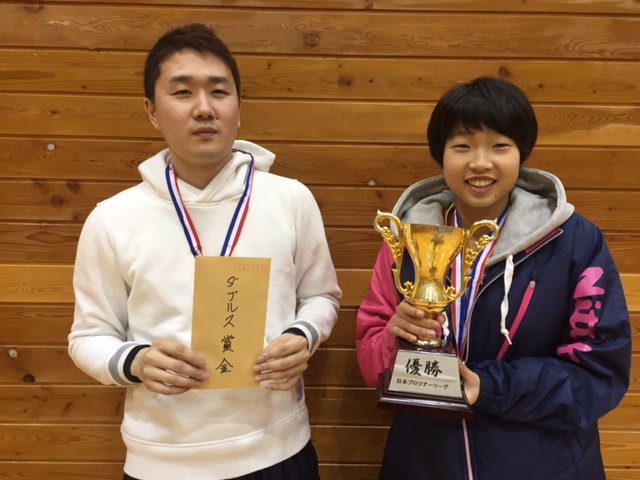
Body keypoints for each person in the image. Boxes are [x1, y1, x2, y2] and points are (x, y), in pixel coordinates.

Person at [68, 23, 342, 480]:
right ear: (152, 111)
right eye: (182, 92)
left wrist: (302, 335)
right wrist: (136, 362)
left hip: (278, 448)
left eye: (219, 91)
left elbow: (321, 297)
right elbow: (88, 337)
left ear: (239, 107)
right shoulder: (112, 218)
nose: (204, 108)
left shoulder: (290, 199)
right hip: (162, 461)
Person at [355, 76, 631, 479]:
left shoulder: (573, 241)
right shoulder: (408, 242)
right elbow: (370, 363)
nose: (480, 163)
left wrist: (489, 386)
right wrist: (396, 338)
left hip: (545, 464)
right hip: (425, 461)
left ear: (522, 153)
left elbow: (599, 372)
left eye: (500, 146)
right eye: (462, 146)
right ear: (440, 153)